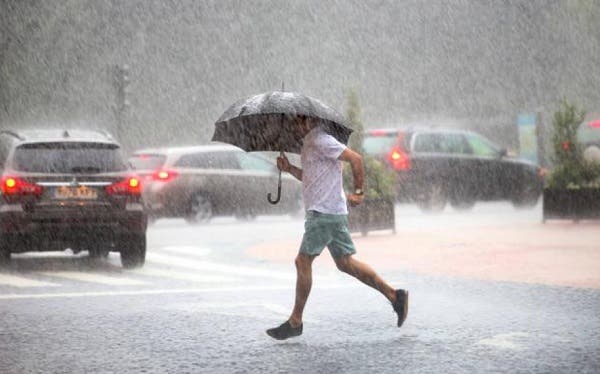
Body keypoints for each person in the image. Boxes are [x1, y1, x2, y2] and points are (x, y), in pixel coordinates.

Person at [266, 118, 409, 340]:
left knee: (302, 261)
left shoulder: (321, 140)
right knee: (346, 264)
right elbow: (310, 179)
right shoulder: (309, 144)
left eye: (296, 122)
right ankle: (394, 296)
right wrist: (289, 168)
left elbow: (356, 159)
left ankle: (295, 321)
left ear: (306, 121)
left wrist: (360, 192)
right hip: (330, 212)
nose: (292, 127)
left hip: (324, 214)